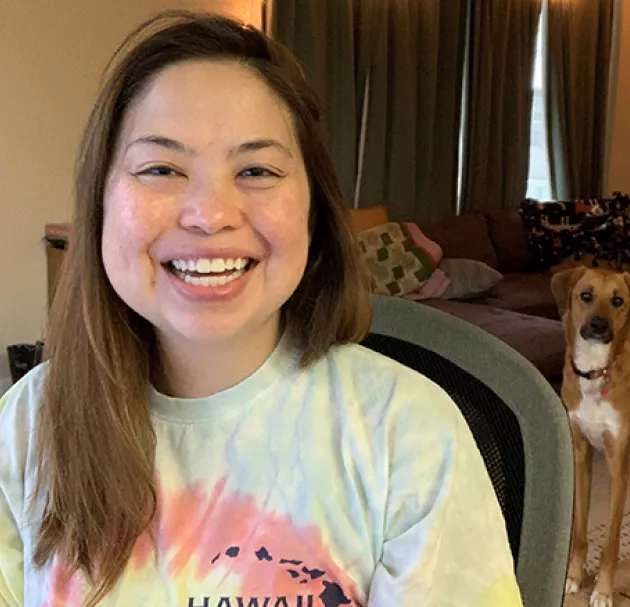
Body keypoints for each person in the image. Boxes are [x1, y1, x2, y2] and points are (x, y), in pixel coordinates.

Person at [0, 11, 523, 607]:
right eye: (162, 169)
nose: (210, 213)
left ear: (313, 213)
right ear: (99, 205)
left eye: (256, 170)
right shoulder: (27, 427)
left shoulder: (407, 435)